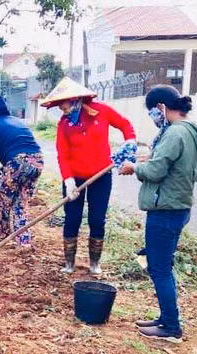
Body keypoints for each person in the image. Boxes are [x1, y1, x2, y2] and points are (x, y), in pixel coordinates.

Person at [119, 85, 197, 343]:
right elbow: (187, 164)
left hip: (166, 210)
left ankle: (171, 327)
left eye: (152, 111)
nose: (153, 116)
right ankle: (165, 318)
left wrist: (134, 167)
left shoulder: (174, 133)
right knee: (163, 266)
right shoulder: (191, 131)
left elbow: (157, 172)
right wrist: (150, 157)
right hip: (178, 206)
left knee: (159, 269)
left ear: (161, 107)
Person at [40, 77, 137, 274]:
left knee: (97, 219)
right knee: (72, 218)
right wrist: (68, 181)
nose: (61, 108)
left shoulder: (102, 111)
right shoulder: (64, 124)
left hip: (101, 176)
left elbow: (125, 125)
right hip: (75, 179)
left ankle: (94, 263)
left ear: (75, 99)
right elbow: (63, 154)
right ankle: (69, 263)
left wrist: (130, 142)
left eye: (63, 104)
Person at [0, 96, 44, 247]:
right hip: (37, 161)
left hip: (18, 162)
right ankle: (24, 242)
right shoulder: (17, 121)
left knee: (4, 199)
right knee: (20, 202)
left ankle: (3, 234)